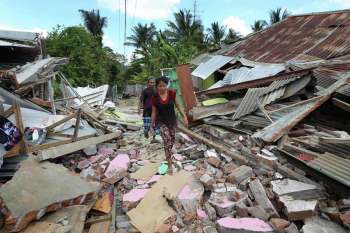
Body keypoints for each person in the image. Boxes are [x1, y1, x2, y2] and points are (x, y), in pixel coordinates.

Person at [150, 76, 188, 175]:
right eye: (160, 86)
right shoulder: (155, 97)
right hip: (161, 121)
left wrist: (184, 117)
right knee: (167, 141)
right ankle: (169, 164)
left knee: (172, 140)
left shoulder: (172, 93)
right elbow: (153, 112)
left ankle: (168, 154)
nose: (162, 88)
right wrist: (151, 126)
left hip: (172, 120)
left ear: (167, 85)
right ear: (157, 86)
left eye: (164, 86)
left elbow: (178, 105)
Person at [138, 76, 159, 143]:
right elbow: (141, 100)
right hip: (147, 111)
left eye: (153, 82)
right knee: (147, 125)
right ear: (148, 83)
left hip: (155, 111)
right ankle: (146, 131)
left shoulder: (156, 91)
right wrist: (139, 108)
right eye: (151, 82)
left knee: (155, 125)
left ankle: (154, 139)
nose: (152, 84)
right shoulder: (145, 91)